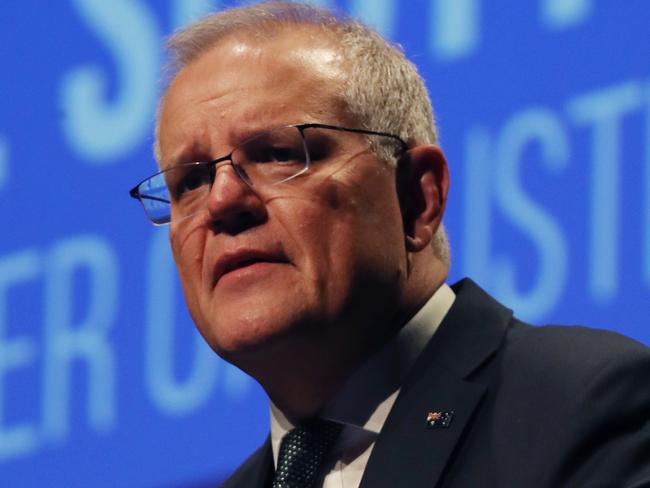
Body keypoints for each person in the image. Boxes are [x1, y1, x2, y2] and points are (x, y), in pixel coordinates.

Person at [129, 2, 650, 486]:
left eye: (278, 153)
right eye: (190, 182)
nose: (221, 201)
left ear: (417, 198)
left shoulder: (583, 404)